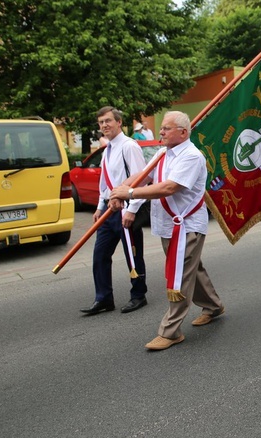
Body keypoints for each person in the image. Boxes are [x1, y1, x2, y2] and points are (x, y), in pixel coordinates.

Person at [110, 111, 225, 350]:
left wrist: (129, 194)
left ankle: (170, 331)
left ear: (183, 132)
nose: (160, 132)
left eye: (166, 128)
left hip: (187, 226)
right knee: (191, 268)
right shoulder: (164, 153)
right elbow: (141, 176)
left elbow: (169, 187)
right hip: (168, 225)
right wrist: (120, 189)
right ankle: (213, 305)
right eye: (161, 128)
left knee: (180, 276)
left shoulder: (192, 156)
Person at [80, 106, 148, 315]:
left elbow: (141, 178)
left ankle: (138, 295)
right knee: (100, 255)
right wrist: (100, 206)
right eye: (101, 123)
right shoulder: (108, 149)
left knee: (132, 255)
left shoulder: (129, 146)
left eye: (108, 121)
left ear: (119, 122)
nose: (104, 125)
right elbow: (105, 182)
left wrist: (132, 210)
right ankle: (103, 298)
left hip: (127, 209)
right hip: (110, 211)